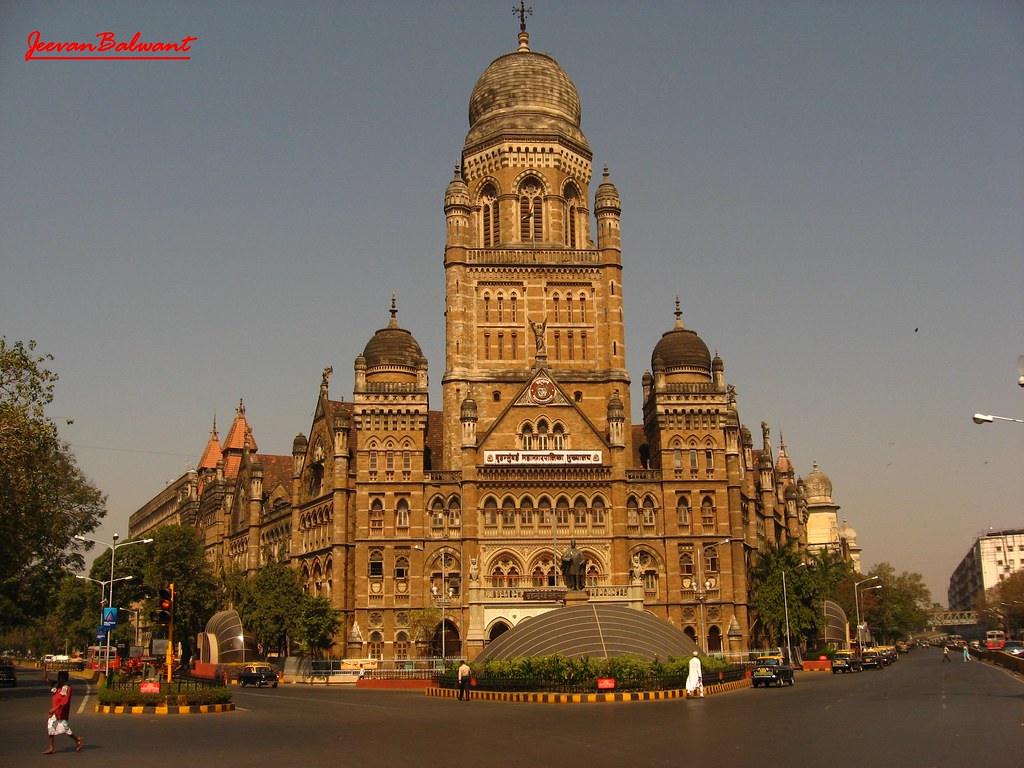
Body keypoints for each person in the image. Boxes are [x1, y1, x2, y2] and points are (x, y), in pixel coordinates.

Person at [44, 669, 84, 754]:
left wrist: (54, 709)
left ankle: (78, 739)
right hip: (54, 713)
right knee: (50, 728)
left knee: (65, 729)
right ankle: (51, 748)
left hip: (62, 712)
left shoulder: (68, 688)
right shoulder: (56, 684)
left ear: (66, 678)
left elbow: (64, 702)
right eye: (59, 676)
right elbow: (46, 679)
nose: (60, 678)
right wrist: (45, 669)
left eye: (62, 677)